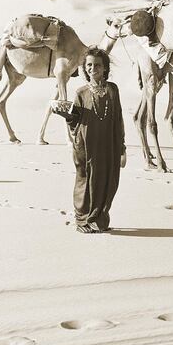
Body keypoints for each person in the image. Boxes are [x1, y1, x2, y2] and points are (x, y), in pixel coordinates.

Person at [51, 47, 126, 234]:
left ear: (105, 68)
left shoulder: (113, 90)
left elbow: (118, 119)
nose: (93, 69)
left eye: (98, 65)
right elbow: (74, 121)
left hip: (109, 146)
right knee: (85, 181)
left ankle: (99, 220)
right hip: (86, 145)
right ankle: (83, 221)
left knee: (108, 181)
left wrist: (122, 147)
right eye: (90, 65)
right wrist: (65, 113)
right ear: (85, 68)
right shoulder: (81, 92)